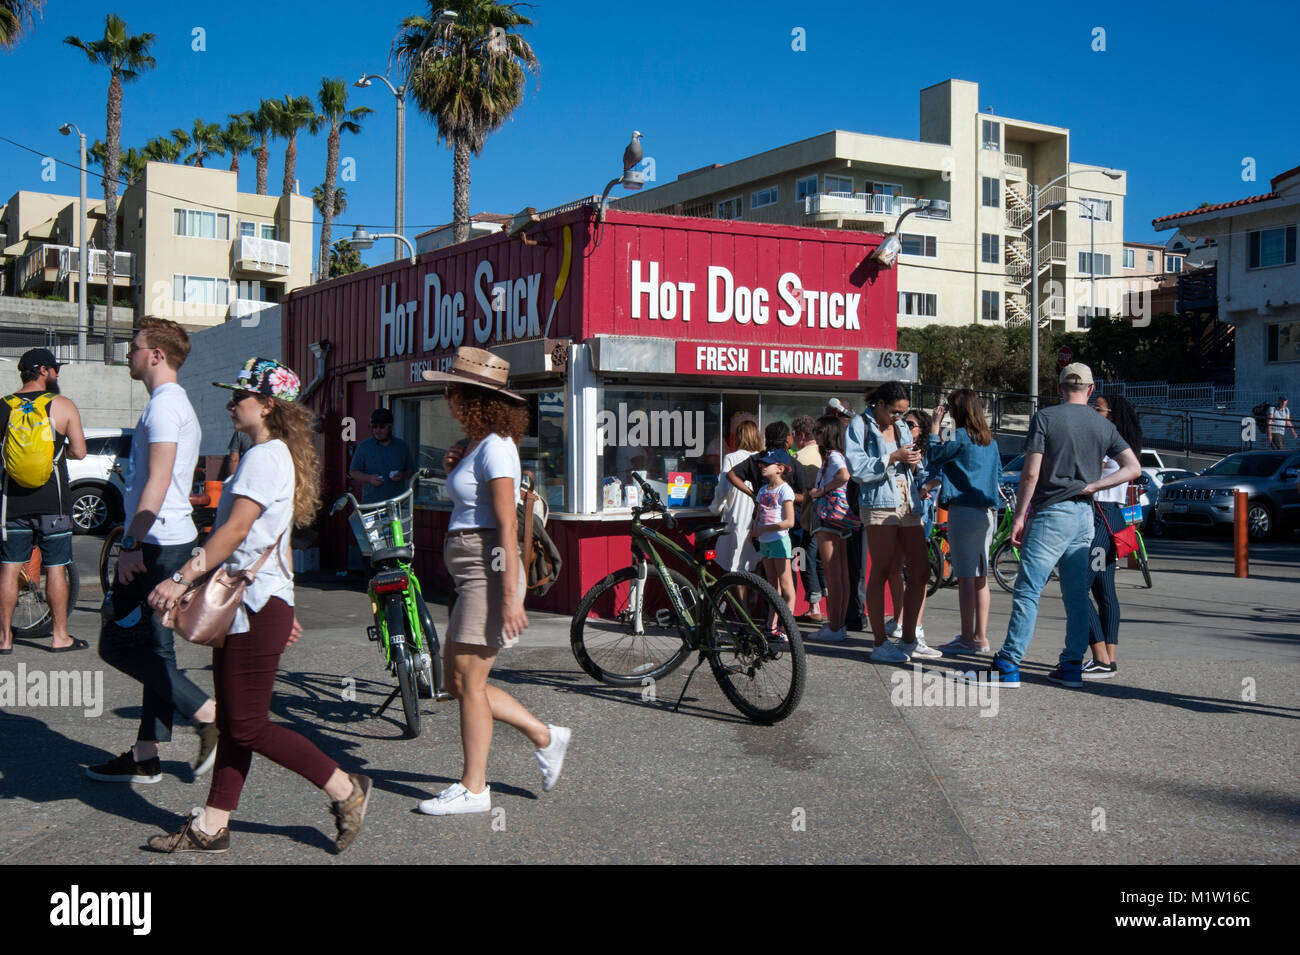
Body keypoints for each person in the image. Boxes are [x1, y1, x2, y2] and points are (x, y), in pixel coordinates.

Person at [143, 358, 371, 854]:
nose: (231, 403)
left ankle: (345, 789)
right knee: (235, 720)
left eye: (239, 396)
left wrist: (181, 577)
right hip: (254, 604)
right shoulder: (268, 455)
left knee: (247, 723)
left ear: (267, 406)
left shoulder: (266, 457)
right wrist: (284, 603)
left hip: (254, 605)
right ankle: (212, 823)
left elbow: (236, 532)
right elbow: (279, 544)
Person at [416, 347, 570, 815]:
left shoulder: (498, 448)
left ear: (475, 399)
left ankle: (475, 788)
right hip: (469, 571)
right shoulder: (480, 445)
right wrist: (453, 469)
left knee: (471, 680)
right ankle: (545, 735)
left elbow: (505, 526)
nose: (447, 399)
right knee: (457, 682)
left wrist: (509, 595)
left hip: (489, 571)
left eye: (452, 391)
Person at [89, 319, 218, 784]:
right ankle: (146, 753)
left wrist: (131, 544)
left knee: (117, 643)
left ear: (157, 355)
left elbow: (159, 482)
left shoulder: (165, 408)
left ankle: (205, 712)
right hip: (162, 537)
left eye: (134, 346)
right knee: (155, 650)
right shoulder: (169, 405)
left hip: (156, 543)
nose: (129, 353)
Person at [987, 364, 1141, 688]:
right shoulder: (1102, 425)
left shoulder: (1046, 418)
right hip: (1084, 515)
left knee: (1029, 590)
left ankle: (1009, 663)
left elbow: (1030, 473)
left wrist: (1019, 516)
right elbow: (1133, 468)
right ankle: (1071, 665)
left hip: (1050, 513)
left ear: (1059, 388)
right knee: (1075, 594)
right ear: (1090, 389)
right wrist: (1095, 486)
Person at [0, 348, 87, 653]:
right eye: (55, 369)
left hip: (13, 503)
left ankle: (5, 639)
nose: (57, 374)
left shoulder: (3, 406)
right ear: (44, 372)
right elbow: (80, 452)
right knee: (56, 567)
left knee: (10, 567)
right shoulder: (62, 405)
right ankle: (60, 636)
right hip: (54, 501)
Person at [845, 382, 933, 663]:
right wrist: (893, 456)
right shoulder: (859, 425)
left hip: (908, 499)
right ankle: (880, 642)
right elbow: (857, 468)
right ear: (880, 404)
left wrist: (915, 461)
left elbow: (914, 465)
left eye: (903, 413)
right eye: (895, 412)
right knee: (882, 569)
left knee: (921, 570)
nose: (899, 418)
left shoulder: (902, 426)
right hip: (879, 501)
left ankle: (909, 639)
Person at [926, 390, 1001, 655]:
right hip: (986, 513)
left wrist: (935, 425)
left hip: (963, 510)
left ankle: (968, 638)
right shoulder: (990, 441)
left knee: (966, 577)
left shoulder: (958, 438)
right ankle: (980, 636)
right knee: (981, 576)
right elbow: (998, 475)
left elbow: (933, 455)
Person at [1084, 394, 1142, 678]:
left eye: (1098, 409)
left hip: (1100, 519)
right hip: (1113, 520)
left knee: (1077, 589)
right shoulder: (1122, 445)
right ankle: (1109, 657)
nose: (1093, 412)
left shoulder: (1108, 446)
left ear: (1112, 415)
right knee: (1105, 592)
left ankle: (1101, 657)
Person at [807, 415, 851, 642]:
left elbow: (844, 475)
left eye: (819, 430)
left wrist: (821, 491)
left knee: (833, 572)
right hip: (841, 514)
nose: (816, 434)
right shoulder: (838, 455)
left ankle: (835, 625)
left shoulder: (833, 457)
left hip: (828, 514)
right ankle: (838, 624)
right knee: (840, 573)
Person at [827, 400, 866, 631]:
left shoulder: (846, 443)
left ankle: (853, 615)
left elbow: (846, 475)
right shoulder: (849, 441)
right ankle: (850, 615)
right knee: (848, 567)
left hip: (849, 511)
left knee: (850, 567)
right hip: (849, 511)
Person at [753, 448, 797, 641]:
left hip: (779, 540)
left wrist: (765, 529)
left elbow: (790, 521)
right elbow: (758, 514)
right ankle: (771, 626)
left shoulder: (785, 490)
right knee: (772, 586)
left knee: (786, 584)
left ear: (780, 468)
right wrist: (755, 529)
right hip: (765, 541)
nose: (762, 466)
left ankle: (788, 628)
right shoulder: (763, 489)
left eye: (767, 464)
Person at [708, 419, 762, 573]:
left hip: (737, 516)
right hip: (758, 518)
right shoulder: (763, 459)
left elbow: (723, 489)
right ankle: (752, 597)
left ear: (738, 437)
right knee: (754, 561)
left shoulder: (731, 458)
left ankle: (742, 598)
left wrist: (715, 508)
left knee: (736, 564)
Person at [790, 414, 826, 625]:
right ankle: (822, 602)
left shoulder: (798, 460)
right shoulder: (824, 454)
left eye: (795, 434)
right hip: (823, 518)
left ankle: (813, 606)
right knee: (819, 559)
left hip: (803, 520)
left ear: (801, 435)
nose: (793, 439)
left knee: (803, 560)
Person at [349, 407, 415, 503]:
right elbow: (353, 472)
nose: (377, 430)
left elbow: (411, 470)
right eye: (374, 426)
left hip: (396, 504)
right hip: (372, 506)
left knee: (397, 519)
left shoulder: (402, 446)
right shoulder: (363, 447)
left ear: (390, 427)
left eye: (382, 426)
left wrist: (402, 475)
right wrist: (369, 478)